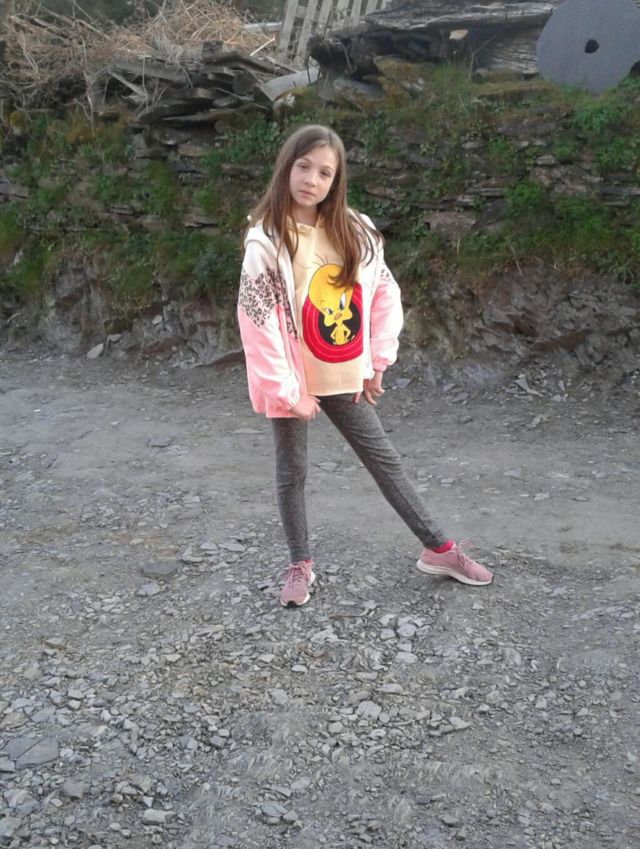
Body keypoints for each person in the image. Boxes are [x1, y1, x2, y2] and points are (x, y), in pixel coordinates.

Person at [237, 124, 493, 608]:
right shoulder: (266, 240)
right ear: (286, 166)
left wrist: (377, 361)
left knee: (383, 459)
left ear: (336, 181)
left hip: (343, 370)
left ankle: (438, 549)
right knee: (291, 472)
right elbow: (258, 323)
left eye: (325, 172)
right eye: (304, 167)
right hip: (294, 380)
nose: (312, 180)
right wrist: (290, 393)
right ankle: (299, 563)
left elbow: (383, 293)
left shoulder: (355, 229)